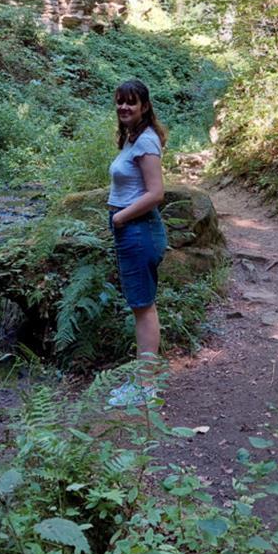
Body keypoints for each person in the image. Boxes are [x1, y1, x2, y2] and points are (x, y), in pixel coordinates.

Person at [106, 79, 168, 407]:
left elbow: (156, 194)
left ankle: (146, 388)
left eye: (131, 102)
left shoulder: (145, 141)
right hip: (131, 229)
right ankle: (144, 382)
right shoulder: (132, 139)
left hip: (138, 230)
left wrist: (120, 218)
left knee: (144, 307)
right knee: (140, 305)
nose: (124, 107)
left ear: (144, 106)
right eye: (120, 102)